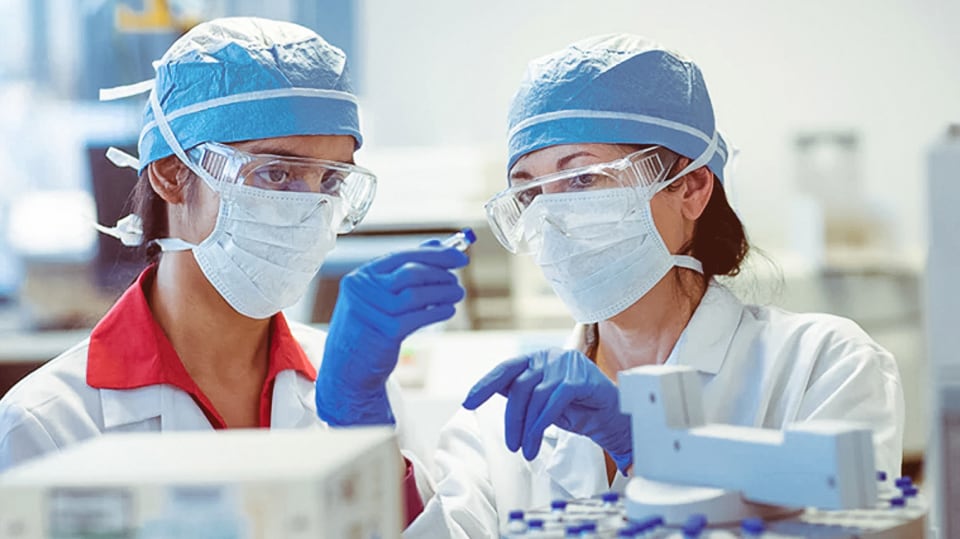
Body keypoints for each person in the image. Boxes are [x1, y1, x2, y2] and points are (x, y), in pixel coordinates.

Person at [403, 34, 904, 536]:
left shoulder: (821, 364)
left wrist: (652, 452)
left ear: (690, 187)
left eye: (582, 179)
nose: (548, 216)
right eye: (528, 191)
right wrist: (361, 417)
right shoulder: (502, 416)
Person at [0, 17, 467, 527]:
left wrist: (367, 430)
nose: (309, 207)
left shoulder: (349, 386)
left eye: (331, 180)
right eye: (276, 172)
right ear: (172, 175)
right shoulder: (50, 422)